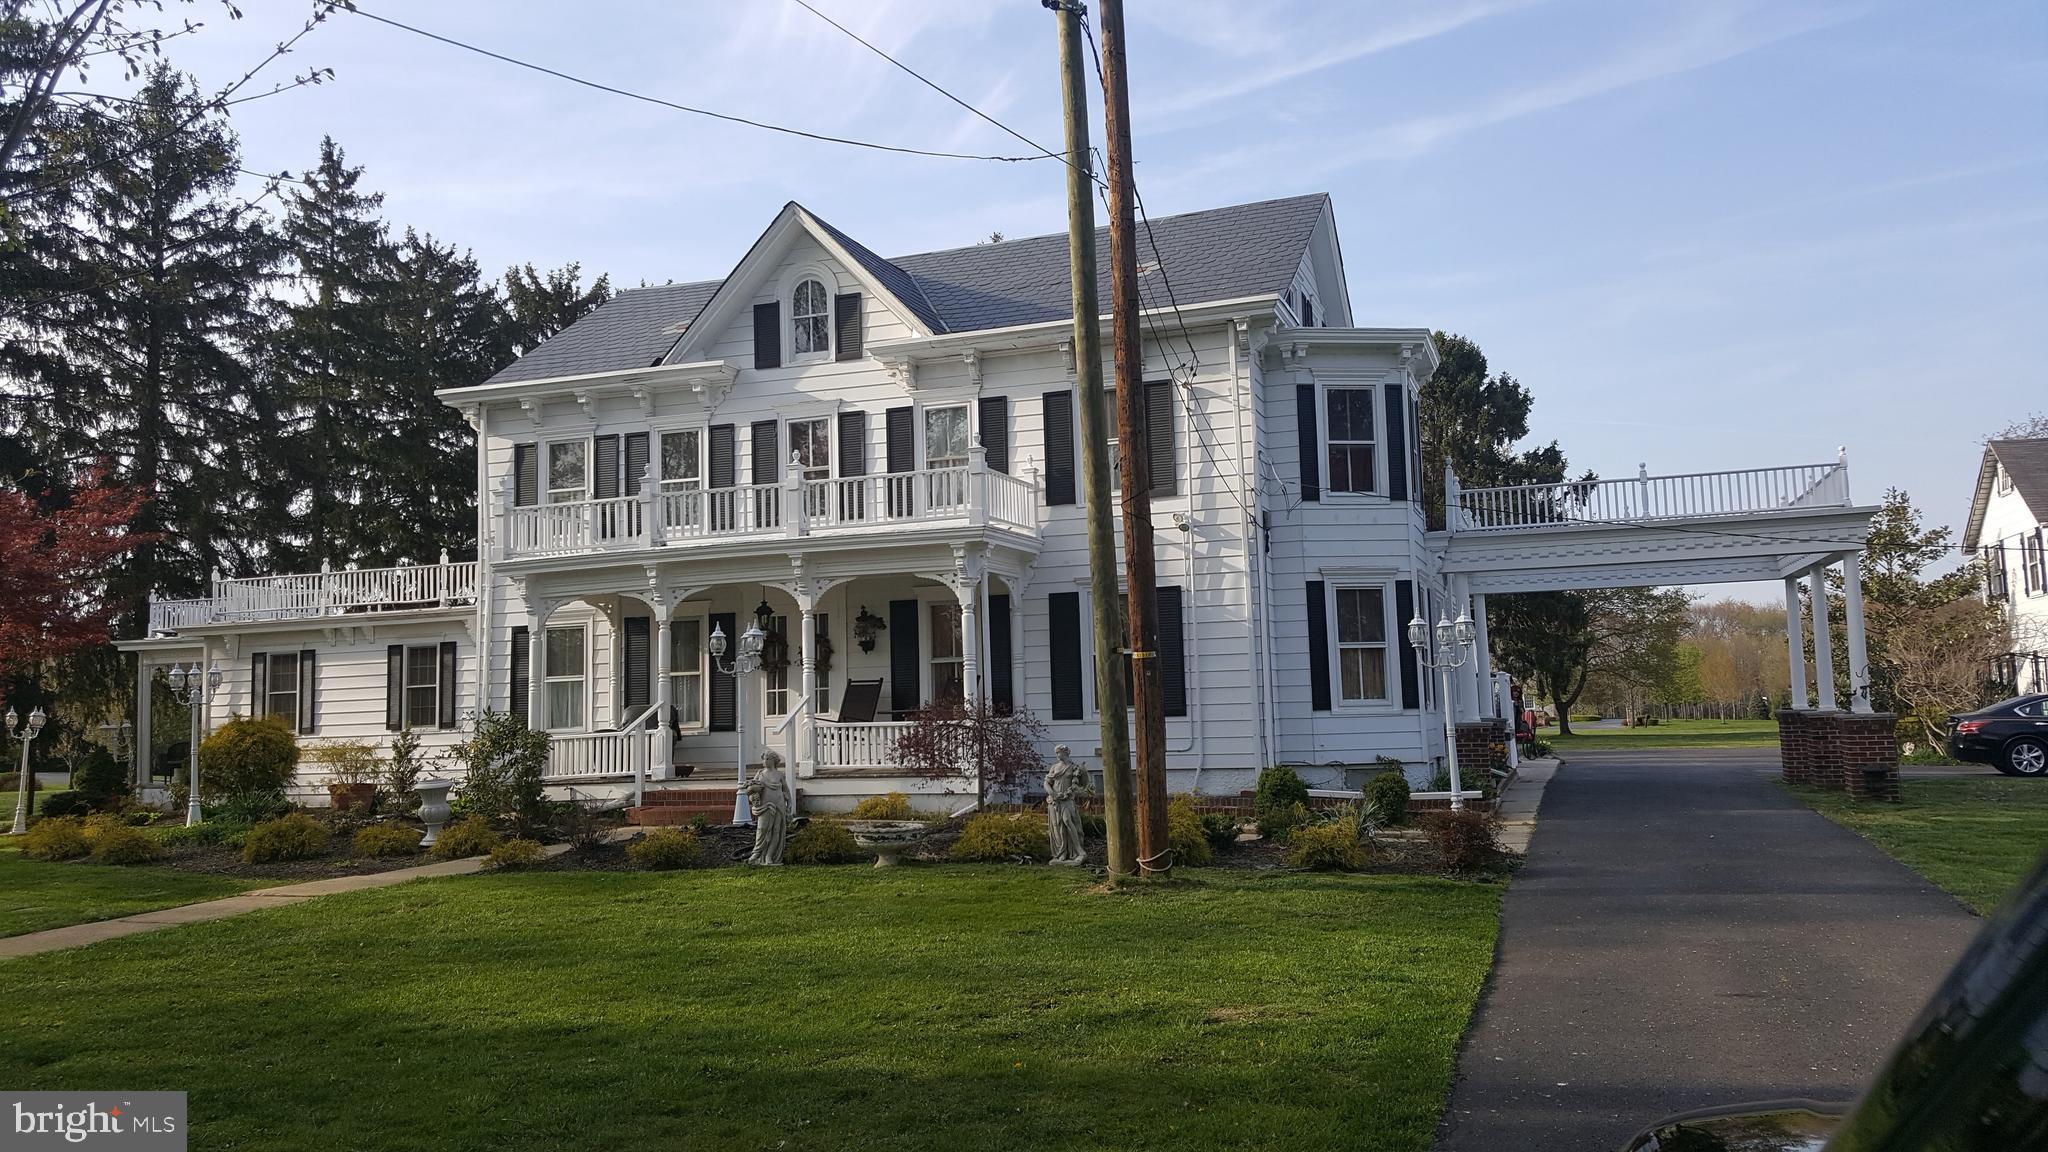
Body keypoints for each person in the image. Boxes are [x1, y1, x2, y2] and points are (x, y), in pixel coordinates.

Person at [1044, 745, 1088, 866]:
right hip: (1054, 801)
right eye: (1057, 753)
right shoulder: (1054, 767)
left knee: (1068, 821)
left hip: (1067, 800)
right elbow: (1047, 783)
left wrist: (1083, 772)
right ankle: (1062, 853)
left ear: (1066, 753)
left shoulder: (1073, 767)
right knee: (1058, 826)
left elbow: (1082, 784)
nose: (1058, 755)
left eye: (1060, 753)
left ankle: (1079, 851)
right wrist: (1053, 794)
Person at [745, 750, 791, 865]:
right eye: (763, 759)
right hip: (765, 806)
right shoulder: (760, 773)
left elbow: (786, 790)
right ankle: (757, 853)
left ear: (774, 761)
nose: (764, 761)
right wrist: (752, 789)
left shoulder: (780, 775)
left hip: (779, 805)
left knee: (776, 831)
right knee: (762, 829)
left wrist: (789, 803)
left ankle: (769, 856)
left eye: (767, 759)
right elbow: (749, 791)